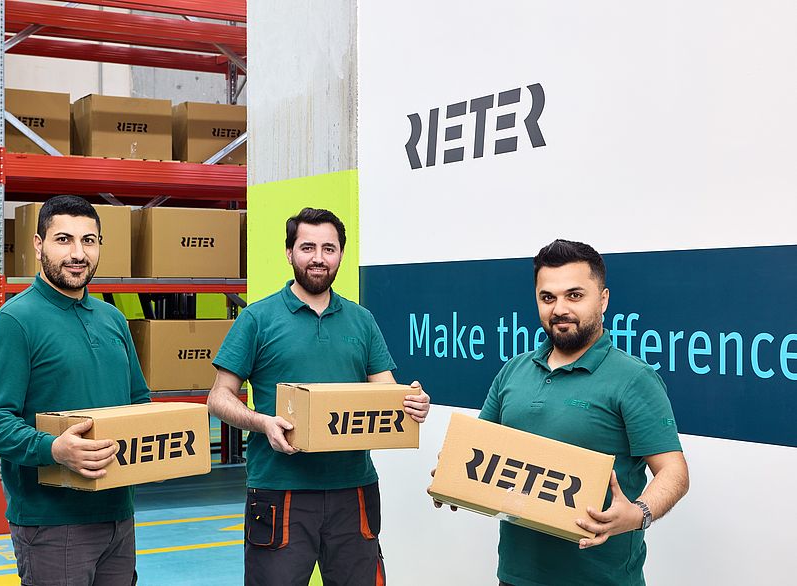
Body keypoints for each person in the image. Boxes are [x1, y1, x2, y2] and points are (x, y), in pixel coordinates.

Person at [438, 239, 689, 586]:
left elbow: (674, 471)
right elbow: (480, 453)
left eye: (574, 295)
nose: (559, 309)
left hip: (602, 579)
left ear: (602, 300)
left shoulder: (634, 379)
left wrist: (638, 513)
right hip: (516, 576)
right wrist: (455, 477)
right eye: (547, 297)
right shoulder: (513, 371)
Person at [209, 207, 430, 585]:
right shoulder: (257, 319)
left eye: (329, 248)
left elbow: (387, 392)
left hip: (353, 488)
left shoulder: (362, 320)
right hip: (280, 489)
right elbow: (220, 398)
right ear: (289, 253)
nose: (318, 258)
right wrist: (263, 423)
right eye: (307, 247)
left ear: (341, 254)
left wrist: (410, 401)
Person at [0, 195, 150, 586]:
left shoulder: (113, 319)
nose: (78, 253)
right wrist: (54, 449)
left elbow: (138, 402)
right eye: (64, 240)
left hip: (119, 513)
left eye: (89, 241)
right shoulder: (14, 323)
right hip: (52, 523)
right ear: (38, 245)